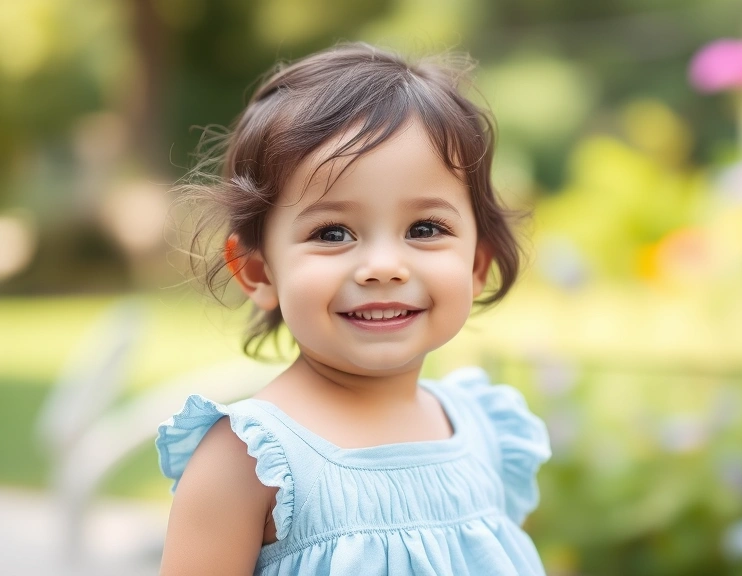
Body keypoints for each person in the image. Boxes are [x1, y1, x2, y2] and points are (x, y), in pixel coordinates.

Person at [155, 42, 551, 575]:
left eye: (425, 229)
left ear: (476, 264)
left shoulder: (484, 431)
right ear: (257, 270)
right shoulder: (249, 463)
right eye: (333, 232)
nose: (384, 266)